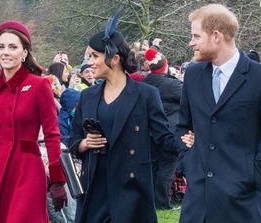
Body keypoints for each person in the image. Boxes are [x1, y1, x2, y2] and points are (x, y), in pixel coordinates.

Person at [177, 4, 261, 223]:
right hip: (197, 206)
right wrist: (188, 161)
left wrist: (253, 174)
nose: (191, 42)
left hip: (241, 205)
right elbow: (182, 126)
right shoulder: (192, 74)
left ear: (216, 36)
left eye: (196, 36)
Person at [68, 7, 178, 223]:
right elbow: (72, 141)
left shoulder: (146, 95)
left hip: (132, 190)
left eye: (95, 55)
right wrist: (84, 144)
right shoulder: (87, 96)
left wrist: (189, 140)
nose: (89, 62)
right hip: (94, 190)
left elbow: (164, 138)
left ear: (115, 58)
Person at [0, 20, 67, 223]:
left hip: (28, 170)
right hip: (0, 169)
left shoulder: (39, 85)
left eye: (13, 47)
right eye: (1, 46)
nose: (5, 52)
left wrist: (57, 180)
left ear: (24, 53)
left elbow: (52, 135)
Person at [142, 47, 182, 210]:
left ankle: (151, 202)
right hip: (169, 131)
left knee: (153, 167)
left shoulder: (143, 83)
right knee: (167, 167)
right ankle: (163, 203)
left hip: (149, 132)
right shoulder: (172, 84)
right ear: (165, 66)